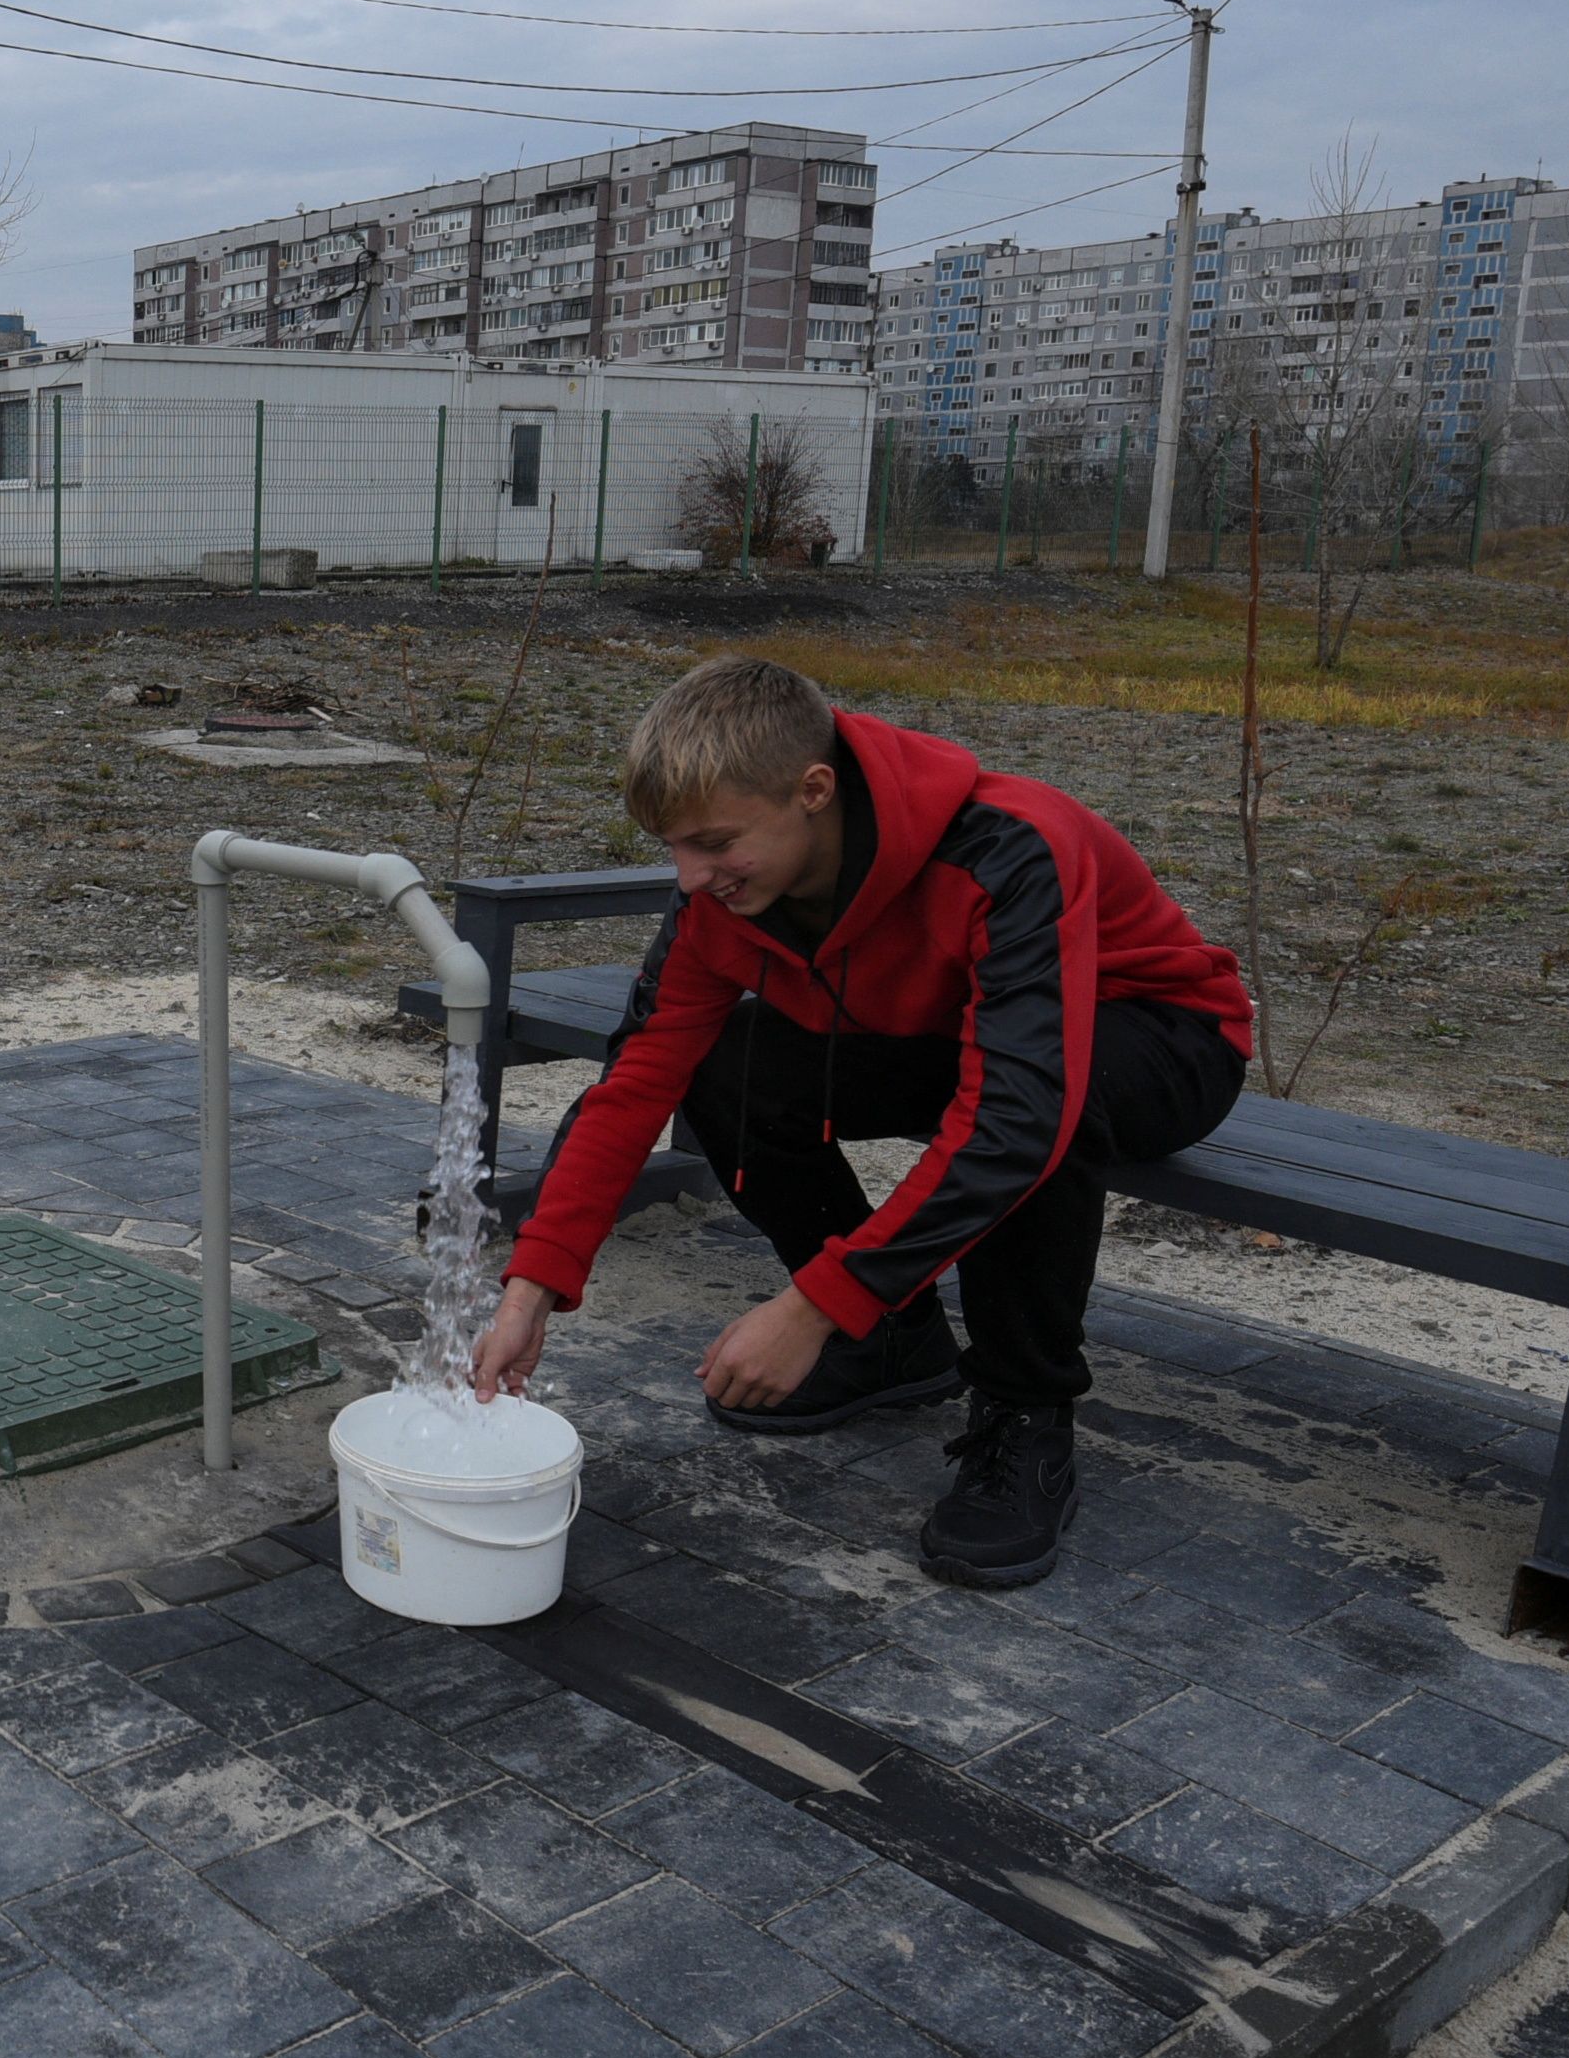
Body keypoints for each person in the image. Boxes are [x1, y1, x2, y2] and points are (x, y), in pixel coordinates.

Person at [469, 654, 1249, 1587]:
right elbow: (635, 1079)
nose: (688, 879)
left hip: (1161, 1037)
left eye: (713, 843)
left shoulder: (1008, 845)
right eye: (671, 846)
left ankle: (1023, 1413)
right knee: (725, 1061)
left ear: (812, 789)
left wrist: (814, 1306)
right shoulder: (723, 898)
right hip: (951, 1033)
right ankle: (893, 1342)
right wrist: (533, 1285)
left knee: (1045, 1108)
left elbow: (1012, 1114)